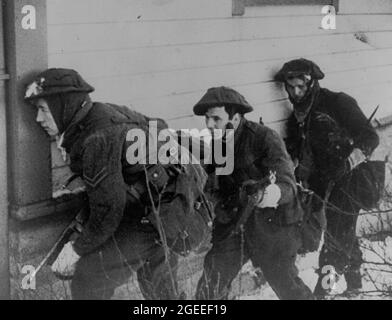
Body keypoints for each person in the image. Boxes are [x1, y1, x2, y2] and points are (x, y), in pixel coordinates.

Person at [24, 68, 210, 300]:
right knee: (160, 284)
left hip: (157, 213)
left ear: (63, 105)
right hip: (166, 204)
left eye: (43, 109)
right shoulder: (103, 111)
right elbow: (159, 125)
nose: (38, 119)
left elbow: (108, 209)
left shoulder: (96, 139)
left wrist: (76, 249)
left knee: (90, 278)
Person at [193, 86, 314, 300]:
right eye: (207, 119)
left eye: (216, 119)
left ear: (236, 117)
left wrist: (267, 195)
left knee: (287, 286)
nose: (209, 125)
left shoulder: (264, 138)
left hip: (272, 225)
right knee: (211, 285)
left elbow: (287, 182)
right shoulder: (217, 145)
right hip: (235, 225)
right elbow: (212, 186)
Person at [274, 58, 381, 297]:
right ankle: (355, 286)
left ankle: (321, 293)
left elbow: (370, 137)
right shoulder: (297, 119)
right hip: (324, 188)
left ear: (312, 83)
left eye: (301, 86)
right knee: (343, 235)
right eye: (290, 87)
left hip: (349, 183)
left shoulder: (337, 102)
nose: (296, 92)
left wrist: (352, 158)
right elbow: (295, 151)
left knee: (334, 244)